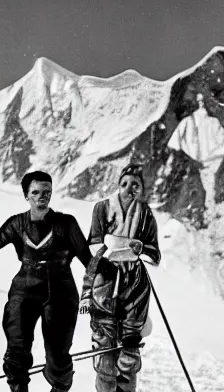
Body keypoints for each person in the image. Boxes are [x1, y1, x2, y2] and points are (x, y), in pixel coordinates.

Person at [0, 170, 91, 392]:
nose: (42, 197)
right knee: (16, 351)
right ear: (26, 195)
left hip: (61, 292)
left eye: (47, 192)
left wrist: (111, 271)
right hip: (24, 289)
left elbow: (88, 261)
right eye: (35, 192)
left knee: (58, 356)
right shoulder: (17, 224)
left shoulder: (66, 223)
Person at [79, 164, 161, 392]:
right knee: (104, 348)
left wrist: (140, 248)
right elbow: (94, 241)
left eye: (135, 184)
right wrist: (113, 248)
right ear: (118, 185)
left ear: (142, 189)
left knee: (129, 350)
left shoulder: (146, 214)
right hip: (105, 278)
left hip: (134, 283)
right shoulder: (102, 208)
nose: (129, 189)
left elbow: (154, 255)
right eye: (125, 183)